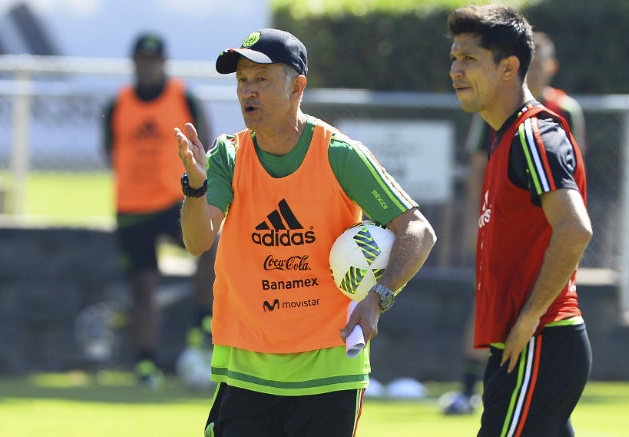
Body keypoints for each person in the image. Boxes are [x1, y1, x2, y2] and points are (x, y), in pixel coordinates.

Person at [174, 28, 436, 436]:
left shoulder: (338, 155)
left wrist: (378, 298)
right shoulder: (227, 154)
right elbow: (197, 241)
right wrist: (196, 186)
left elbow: (418, 231)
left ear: (297, 87)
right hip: (247, 369)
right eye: (242, 80)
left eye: (261, 79)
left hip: (329, 369)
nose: (248, 91)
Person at [447, 5, 593, 436]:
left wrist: (529, 318)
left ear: (509, 68)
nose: (455, 70)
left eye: (469, 59)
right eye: (454, 58)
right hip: (528, 347)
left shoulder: (533, 134)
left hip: (538, 344)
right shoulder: (503, 137)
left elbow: (575, 228)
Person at [102, 32, 215, 387]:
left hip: (174, 201)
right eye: (142, 60)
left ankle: (203, 321)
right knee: (142, 285)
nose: (147, 66)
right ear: (134, 62)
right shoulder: (118, 104)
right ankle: (145, 364)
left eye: (153, 60)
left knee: (210, 242)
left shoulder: (183, 98)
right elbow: (110, 152)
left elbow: (205, 146)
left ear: (163, 63)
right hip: (132, 207)